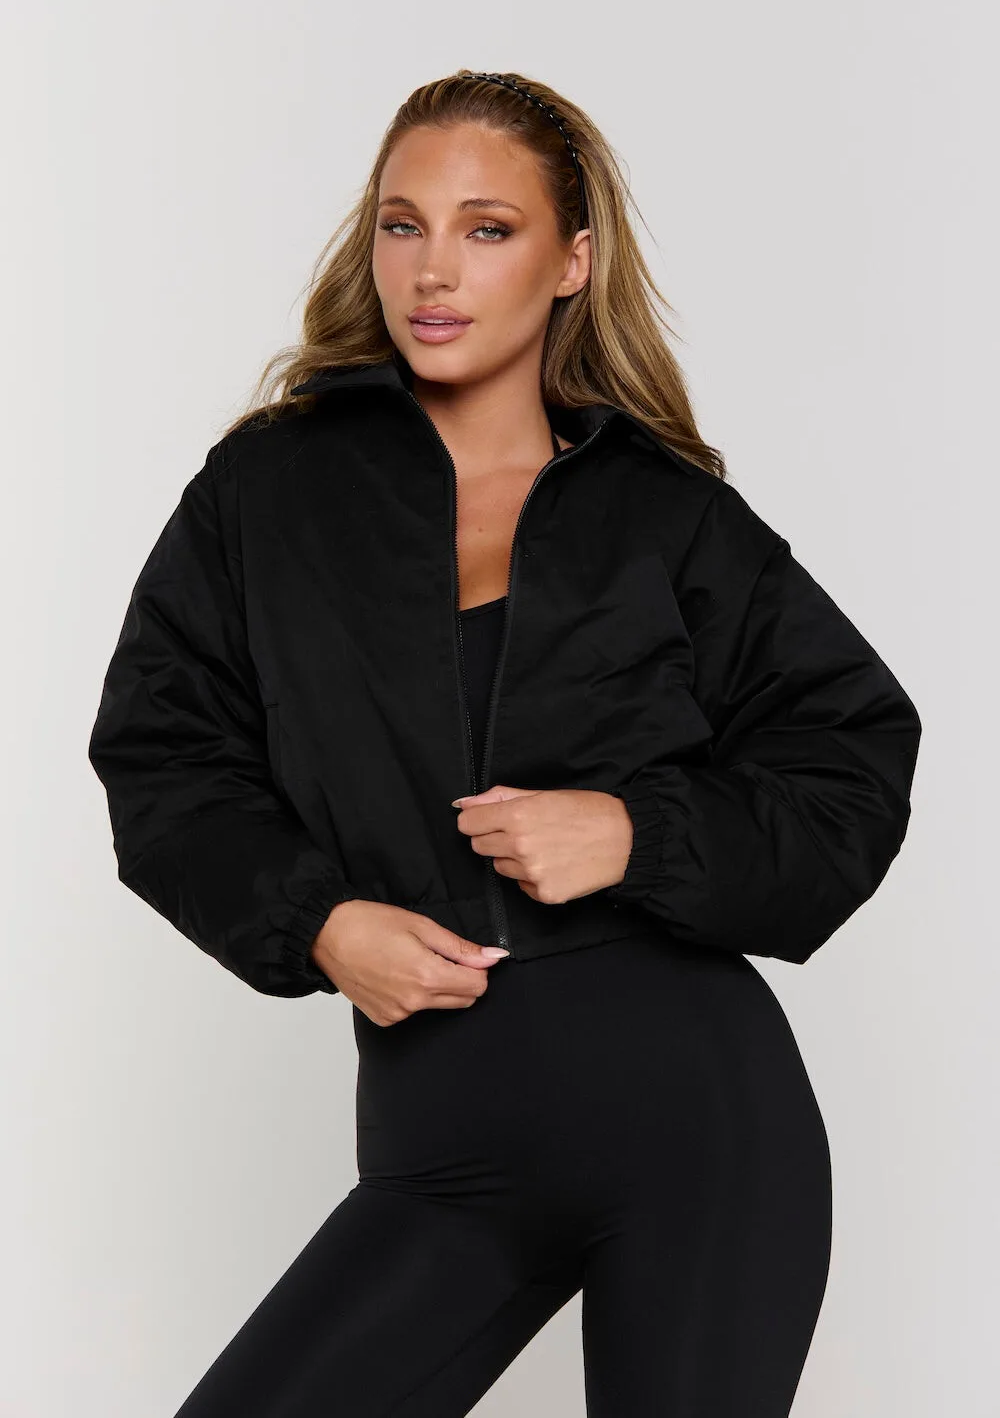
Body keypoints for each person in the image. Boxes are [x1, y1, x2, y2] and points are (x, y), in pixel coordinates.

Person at [88, 69, 922, 1417]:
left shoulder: (665, 516)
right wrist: (317, 922)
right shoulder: (269, 491)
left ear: (571, 261)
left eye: (488, 229)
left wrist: (639, 833)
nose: (433, 270)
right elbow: (161, 754)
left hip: (698, 1128)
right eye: (402, 224)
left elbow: (852, 758)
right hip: (439, 1155)